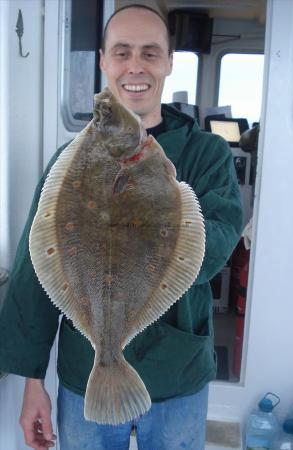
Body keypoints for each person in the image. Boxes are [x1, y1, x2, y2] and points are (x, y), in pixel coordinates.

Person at [0, 4, 243, 450]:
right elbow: (36, 272)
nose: (135, 66)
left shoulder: (208, 154)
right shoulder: (68, 164)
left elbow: (217, 245)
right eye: (122, 52)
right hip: (84, 372)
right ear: (103, 61)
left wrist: (164, 200)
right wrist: (33, 379)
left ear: (170, 62)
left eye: (151, 53)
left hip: (177, 374)